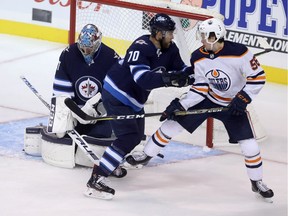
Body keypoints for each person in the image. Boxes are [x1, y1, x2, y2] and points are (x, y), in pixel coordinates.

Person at [126, 18, 274, 201]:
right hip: (208, 99)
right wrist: (181, 105)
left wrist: (242, 98)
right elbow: (201, 87)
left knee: (250, 146)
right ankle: (146, 155)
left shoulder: (240, 53)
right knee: (171, 125)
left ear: (215, 36)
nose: (202, 39)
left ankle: (257, 182)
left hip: (232, 104)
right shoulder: (198, 56)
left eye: (205, 36)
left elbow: (258, 78)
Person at [85, 13, 194, 200]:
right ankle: (96, 179)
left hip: (135, 100)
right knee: (128, 137)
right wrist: (169, 79)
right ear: (159, 33)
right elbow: (142, 79)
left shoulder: (170, 49)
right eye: (169, 33)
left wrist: (195, 74)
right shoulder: (140, 47)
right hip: (116, 93)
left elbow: (182, 70)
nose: (172, 37)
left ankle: (109, 165)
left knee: (134, 137)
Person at [47, 24, 126, 176]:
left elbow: (117, 91)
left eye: (89, 49)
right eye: (83, 48)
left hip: (99, 112)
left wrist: (96, 106)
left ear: (98, 43)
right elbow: (61, 87)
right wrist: (70, 111)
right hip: (75, 109)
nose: (85, 51)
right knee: (60, 133)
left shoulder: (111, 57)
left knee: (100, 134)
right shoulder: (68, 54)